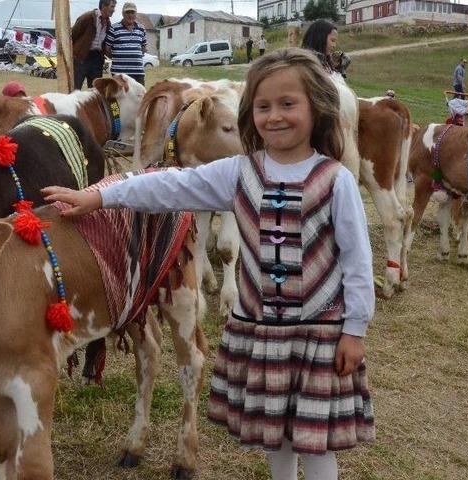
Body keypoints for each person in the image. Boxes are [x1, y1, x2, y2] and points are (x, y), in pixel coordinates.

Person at [41, 48, 375, 480]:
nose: (275, 116)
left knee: (317, 444)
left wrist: (355, 329)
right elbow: (170, 186)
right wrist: (102, 196)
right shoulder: (239, 173)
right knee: (276, 436)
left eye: (288, 104)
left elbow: (356, 259)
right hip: (264, 333)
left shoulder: (336, 180)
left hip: (321, 335)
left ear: (318, 109)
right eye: (263, 106)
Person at [71, 0, 116, 90]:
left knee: (96, 90)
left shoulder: (108, 23)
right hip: (82, 57)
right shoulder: (87, 17)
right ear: (104, 6)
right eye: (112, 7)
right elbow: (73, 35)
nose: (114, 10)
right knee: (75, 89)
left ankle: (93, 104)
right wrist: (77, 52)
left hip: (97, 59)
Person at [104, 2, 146, 86]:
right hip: (119, 74)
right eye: (127, 12)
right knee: (120, 99)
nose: (130, 15)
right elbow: (107, 49)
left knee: (140, 98)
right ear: (123, 14)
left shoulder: (141, 28)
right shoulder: (114, 28)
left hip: (138, 73)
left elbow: (143, 47)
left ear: (136, 14)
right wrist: (118, 57)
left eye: (132, 12)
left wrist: (134, 55)